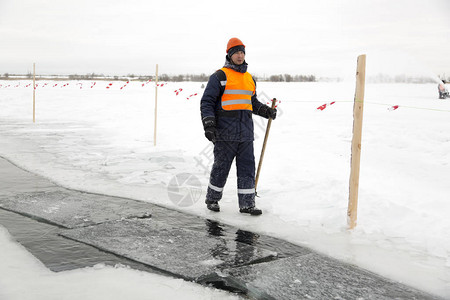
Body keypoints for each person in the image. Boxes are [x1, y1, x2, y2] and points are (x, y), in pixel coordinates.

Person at [200, 37, 277, 216]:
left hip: (246, 134)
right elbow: (207, 102)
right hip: (225, 134)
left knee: (247, 168)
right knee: (221, 167)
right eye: (237, 52)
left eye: (242, 52)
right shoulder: (219, 76)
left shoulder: (250, 79)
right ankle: (212, 199)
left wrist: (265, 111)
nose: (240, 56)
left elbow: (251, 102)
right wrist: (209, 125)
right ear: (230, 55)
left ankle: (247, 204)